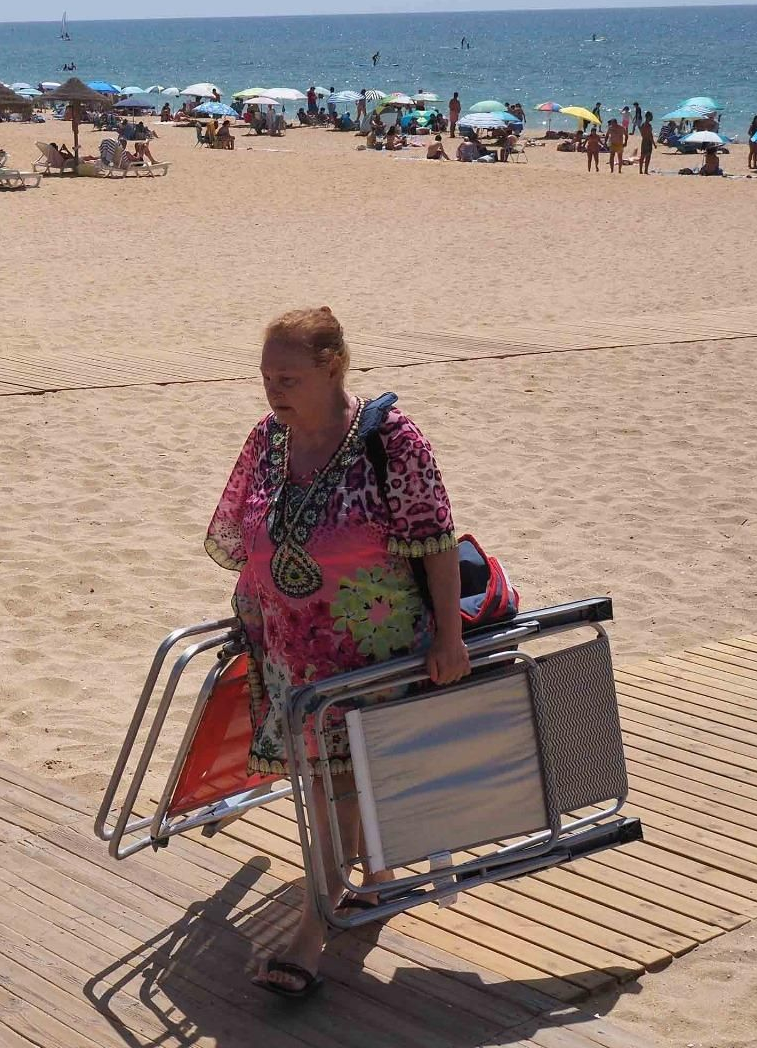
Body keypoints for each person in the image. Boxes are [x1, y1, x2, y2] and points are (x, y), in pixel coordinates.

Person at [207, 307, 464, 999]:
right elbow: (243, 533)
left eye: (289, 376)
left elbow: (436, 540)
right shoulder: (269, 440)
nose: (274, 390)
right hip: (293, 651)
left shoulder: (393, 441)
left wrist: (450, 636)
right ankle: (368, 882)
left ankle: (313, 928)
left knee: (339, 784)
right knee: (326, 783)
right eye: (266, 377)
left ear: (333, 367)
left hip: (371, 648)